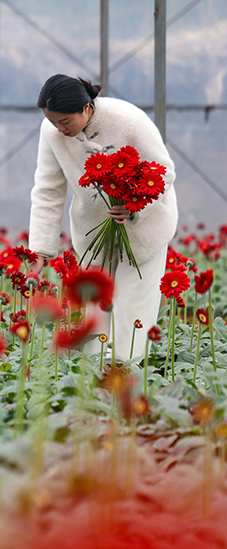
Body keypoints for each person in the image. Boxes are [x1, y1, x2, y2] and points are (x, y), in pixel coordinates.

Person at [27, 74, 177, 360]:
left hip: (144, 232)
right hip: (93, 234)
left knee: (132, 313)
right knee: (94, 315)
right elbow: (47, 191)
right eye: (52, 121)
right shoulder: (51, 133)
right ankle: (93, 383)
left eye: (65, 121)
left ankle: (126, 381)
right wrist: (40, 248)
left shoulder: (128, 120)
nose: (59, 129)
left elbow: (164, 171)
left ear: (85, 108)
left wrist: (135, 204)